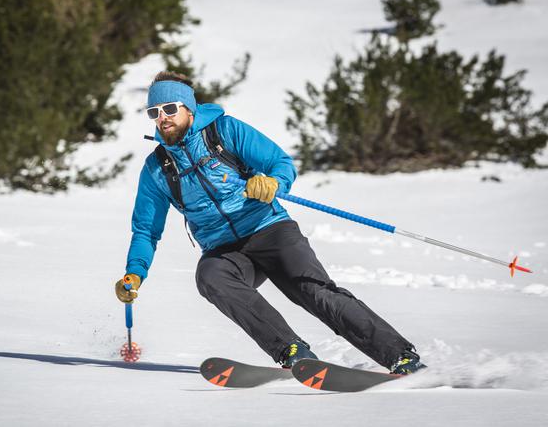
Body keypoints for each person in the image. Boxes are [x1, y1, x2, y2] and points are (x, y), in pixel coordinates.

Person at [114, 71, 426, 374]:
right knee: (210, 276)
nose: (162, 117)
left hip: (269, 229)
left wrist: (273, 183)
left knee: (314, 292)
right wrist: (135, 273)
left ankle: (399, 355)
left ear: (189, 109)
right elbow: (146, 230)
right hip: (224, 249)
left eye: (170, 108)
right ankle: (292, 351)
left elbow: (281, 163)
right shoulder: (157, 168)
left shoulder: (225, 132)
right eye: (154, 111)